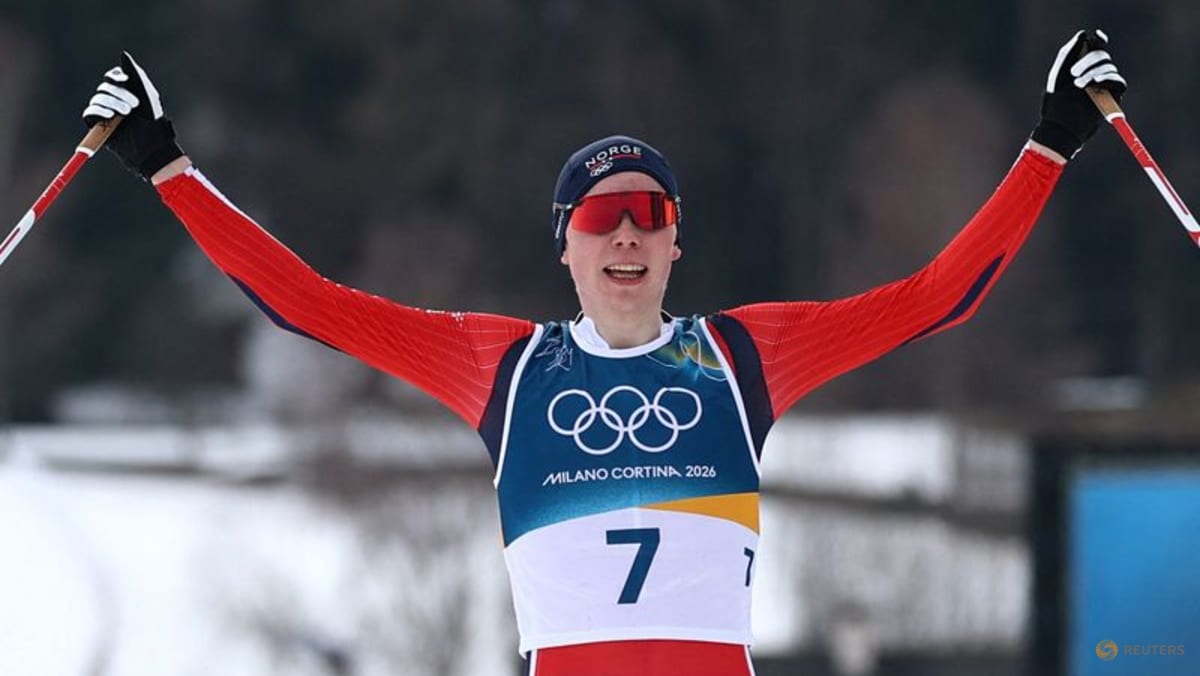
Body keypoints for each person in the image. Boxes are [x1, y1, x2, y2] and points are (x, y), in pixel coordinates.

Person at [81, 29, 1125, 676]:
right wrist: (166, 164)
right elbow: (306, 304)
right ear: (566, 247)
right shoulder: (506, 369)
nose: (625, 234)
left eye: (646, 212)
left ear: (677, 238)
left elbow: (941, 299)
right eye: (600, 217)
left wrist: (1050, 142)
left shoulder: (741, 357)